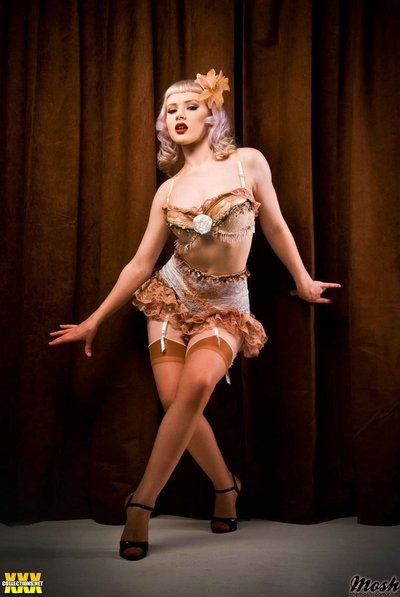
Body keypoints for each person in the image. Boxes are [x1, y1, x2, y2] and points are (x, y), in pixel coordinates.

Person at [49, 68, 341, 561]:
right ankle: (226, 486)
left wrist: (303, 279)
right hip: (170, 295)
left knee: (199, 384)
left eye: (190, 106)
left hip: (226, 306)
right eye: (170, 110)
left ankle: (141, 503)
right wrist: (96, 318)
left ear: (212, 115)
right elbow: (141, 264)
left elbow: (275, 226)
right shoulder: (168, 191)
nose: (178, 115)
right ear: (164, 125)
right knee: (175, 401)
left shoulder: (247, 163)